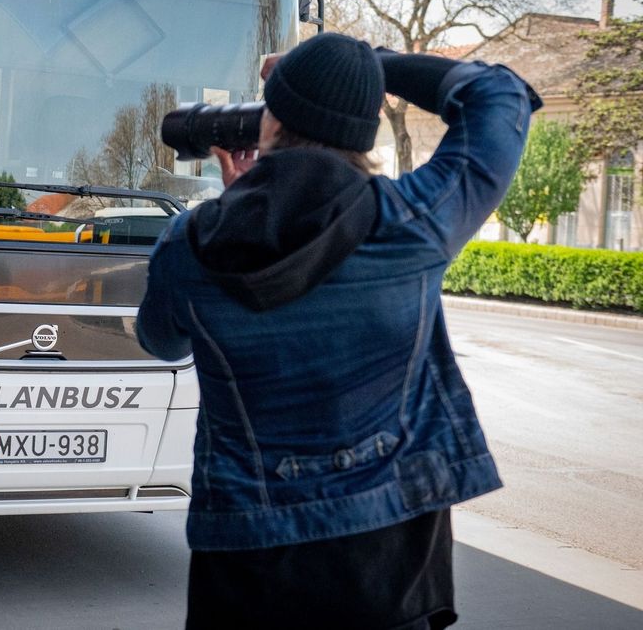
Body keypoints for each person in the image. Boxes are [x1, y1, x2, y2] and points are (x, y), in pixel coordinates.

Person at [136, 33, 540, 628]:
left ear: (270, 120)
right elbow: (499, 92)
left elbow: (160, 341)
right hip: (389, 561)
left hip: (246, 560)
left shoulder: (190, 246)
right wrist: (375, 67)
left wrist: (242, 205)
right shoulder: (417, 223)